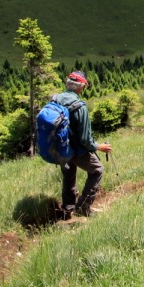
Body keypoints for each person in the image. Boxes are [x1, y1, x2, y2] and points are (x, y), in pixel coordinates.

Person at [55, 71, 112, 219]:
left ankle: (68, 208)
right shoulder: (79, 107)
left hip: (60, 147)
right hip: (76, 150)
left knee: (69, 173)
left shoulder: (56, 99)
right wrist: (99, 147)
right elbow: (86, 140)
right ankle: (83, 207)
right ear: (80, 87)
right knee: (97, 170)